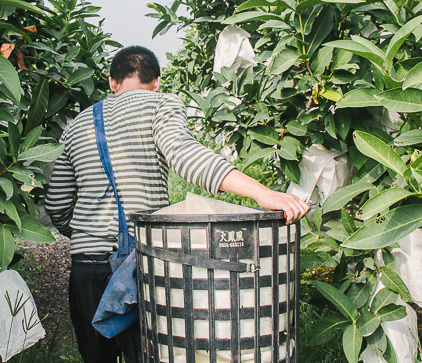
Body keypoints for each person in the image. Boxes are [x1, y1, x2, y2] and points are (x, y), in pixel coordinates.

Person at [45, 45, 309, 363]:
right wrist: (260, 193)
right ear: (156, 81)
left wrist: (85, 234)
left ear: (113, 84)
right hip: (140, 263)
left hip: (85, 268)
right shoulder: (161, 104)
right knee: (148, 354)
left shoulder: (77, 125)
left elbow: (57, 203)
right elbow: (184, 155)